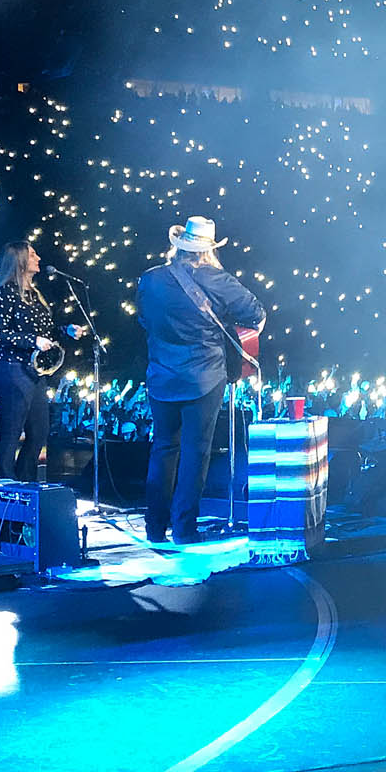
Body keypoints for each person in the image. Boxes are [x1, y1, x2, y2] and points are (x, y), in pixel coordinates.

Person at [136, 217, 263, 545]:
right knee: (195, 453)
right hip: (202, 376)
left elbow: (143, 320)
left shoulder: (150, 280)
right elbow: (257, 315)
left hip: (161, 375)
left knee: (163, 449)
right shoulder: (217, 279)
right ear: (207, 249)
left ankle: (154, 528)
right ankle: (184, 529)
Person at [0, 240, 60, 480]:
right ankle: (6, 485)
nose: (38, 258)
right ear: (20, 261)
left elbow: (44, 332)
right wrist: (32, 340)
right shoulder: (3, 294)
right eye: (33, 254)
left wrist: (66, 330)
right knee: (12, 431)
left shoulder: (34, 296)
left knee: (39, 432)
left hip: (34, 371)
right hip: (12, 368)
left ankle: (26, 485)